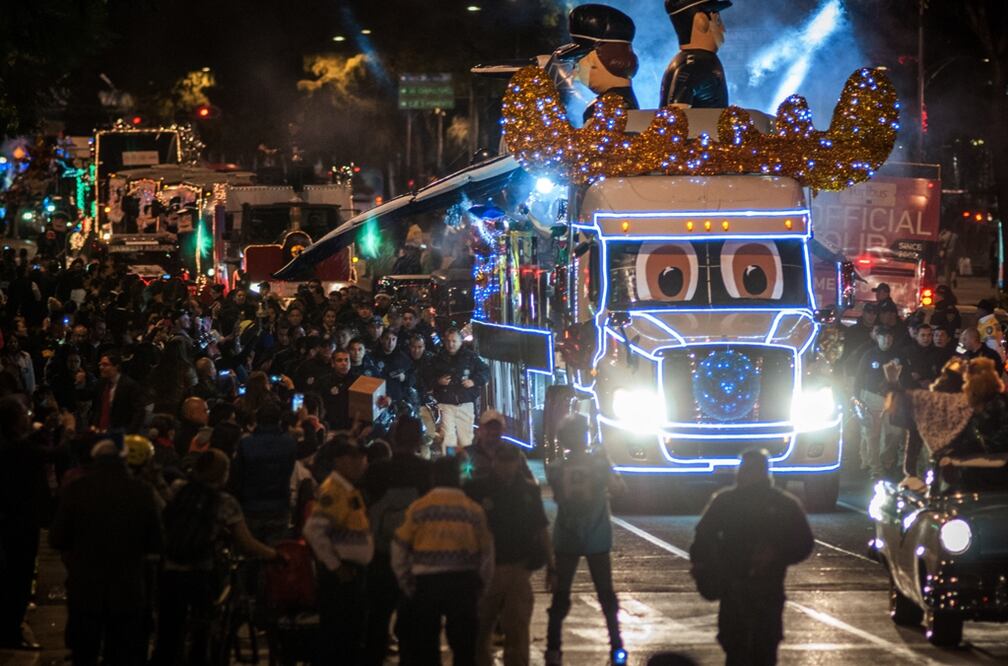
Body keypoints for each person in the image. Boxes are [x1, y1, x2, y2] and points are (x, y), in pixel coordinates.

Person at [151, 449, 279, 666]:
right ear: (223, 473)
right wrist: (275, 554)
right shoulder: (224, 502)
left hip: (170, 570)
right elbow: (246, 543)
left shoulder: (179, 489)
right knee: (205, 630)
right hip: (201, 573)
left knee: (169, 629)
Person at [690, 449, 813, 666]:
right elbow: (804, 543)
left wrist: (707, 568)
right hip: (762, 589)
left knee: (738, 651)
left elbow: (701, 539)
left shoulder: (726, 501)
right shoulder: (783, 504)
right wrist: (778, 554)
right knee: (762, 651)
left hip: (739, 589)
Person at [49, 439, 163, 665]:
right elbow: (156, 542)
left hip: (85, 585)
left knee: (84, 651)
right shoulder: (142, 492)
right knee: (119, 651)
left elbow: (57, 538)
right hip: (127, 586)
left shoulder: (77, 489)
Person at [392, 456, 494, 666]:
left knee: (426, 647)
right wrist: (481, 585)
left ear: (433, 477)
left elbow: (399, 549)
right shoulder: (473, 510)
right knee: (465, 648)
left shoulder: (418, 508)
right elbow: (487, 553)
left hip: (426, 584)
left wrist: (407, 583)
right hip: (463, 582)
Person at [544, 414, 625, 666]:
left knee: (560, 597)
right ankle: (616, 648)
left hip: (566, 536)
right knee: (606, 595)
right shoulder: (598, 464)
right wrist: (606, 462)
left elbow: (558, 496)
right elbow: (620, 489)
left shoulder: (556, 468)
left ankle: (553, 651)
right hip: (597, 536)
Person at [466, 443, 551, 666]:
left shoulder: (528, 490)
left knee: (517, 630)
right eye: (502, 460)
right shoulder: (477, 488)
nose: (506, 466)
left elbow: (541, 528)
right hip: (485, 569)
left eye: (510, 460)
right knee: (479, 631)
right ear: (494, 461)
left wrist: (552, 565)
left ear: (517, 462)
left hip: (518, 568)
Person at [360, 416, 433, 666]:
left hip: (381, 555)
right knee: (416, 628)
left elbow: (363, 508)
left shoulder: (377, 471)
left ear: (394, 436)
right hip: (416, 558)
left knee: (377, 623)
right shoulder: (427, 471)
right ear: (418, 440)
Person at [302, 440, 374, 666]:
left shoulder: (347, 489)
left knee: (350, 635)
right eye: (359, 458)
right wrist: (336, 566)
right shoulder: (334, 490)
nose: (364, 464)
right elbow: (313, 531)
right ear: (342, 461)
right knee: (339, 635)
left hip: (352, 573)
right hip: (342, 576)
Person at [0, 397, 49, 651]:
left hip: (13, 519)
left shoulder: (12, 444)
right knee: (18, 577)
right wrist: (69, 429)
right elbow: (53, 454)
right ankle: (10, 630)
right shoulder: (18, 448)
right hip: (20, 521)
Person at [556, 3, 639, 122]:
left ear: (595, 59)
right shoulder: (626, 102)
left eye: (578, 64)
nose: (575, 76)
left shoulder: (603, 109)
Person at [230, 402, 297, 545]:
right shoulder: (288, 443)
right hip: (279, 503)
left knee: (252, 550)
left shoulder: (246, 443)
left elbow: (238, 473)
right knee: (276, 552)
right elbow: (289, 469)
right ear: (279, 420)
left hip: (251, 504)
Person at [853, 325, 908, 480]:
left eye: (890, 337)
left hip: (892, 398)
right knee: (872, 435)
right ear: (878, 338)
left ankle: (885, 459)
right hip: (871, 397)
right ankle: (875, 469)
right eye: (883, 337)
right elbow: (858, 377)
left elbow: (905, 378)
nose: (887, 340)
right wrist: (856, 399)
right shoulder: (869, 354)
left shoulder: (899, 356)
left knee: (895, 433)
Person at [429, 328, 490, 455]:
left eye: (454, 341)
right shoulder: (438, 358)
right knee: (448, 437)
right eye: (448, 341)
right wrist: (438, 381)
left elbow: (485, 371)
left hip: (465, 402)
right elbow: (428, 377)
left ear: (460, 341)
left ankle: (466, 468)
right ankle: (450, 465)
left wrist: (474, 381)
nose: (451, 344)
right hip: (446, 403)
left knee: (466, 438)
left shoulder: (470, 357)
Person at [661, 0, 732, 108]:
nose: (723, 28)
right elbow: (677, 113)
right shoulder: (694, 64)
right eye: (718, 20)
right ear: (701, 21)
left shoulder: (689, 61)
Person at [91, 351, 147, 433]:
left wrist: (130, 432)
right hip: (100, 431)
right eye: (100, 364)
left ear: (116, 367)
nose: (101, 367)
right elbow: (98, 408)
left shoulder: (130, 385)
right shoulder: (101, 383)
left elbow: (139, 411)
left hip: (120, 431)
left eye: (105, 365)